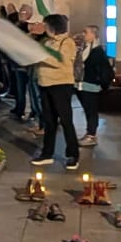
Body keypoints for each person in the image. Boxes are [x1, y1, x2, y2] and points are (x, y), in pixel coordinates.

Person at [31, 12, 81, 168]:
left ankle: (73, 155)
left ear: (53, 27)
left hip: (61, 85)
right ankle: (47, 153)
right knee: (49, 121)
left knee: (66, 121)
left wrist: (40, 56)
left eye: (46, 25)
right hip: (45, 85)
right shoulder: (47, 42)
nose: (44, 28)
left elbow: (61, 60)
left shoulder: (67, 42)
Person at [76, 26, 113, 143]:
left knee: (91, 110)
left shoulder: (97, 51)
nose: (83, 34)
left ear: (94, 35)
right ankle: (89, 132)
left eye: (85, 32)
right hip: (81, 84)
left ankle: (91, 134)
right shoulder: (83, 48)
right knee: (87, 110)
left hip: (91, 85)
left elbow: (101, 69)